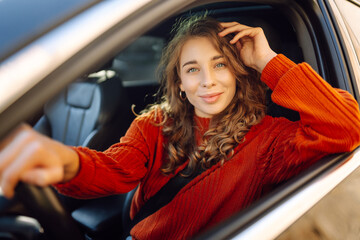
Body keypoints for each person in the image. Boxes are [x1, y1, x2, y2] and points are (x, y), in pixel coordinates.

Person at [1, 15, 360, 239]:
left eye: (220, 65)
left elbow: (347, 126)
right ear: (180, 83)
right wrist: (66, 161)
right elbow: (115, 170)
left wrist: (267, 60)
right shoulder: (155, 123)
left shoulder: (269, 138)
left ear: (237, 72)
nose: (207, 81)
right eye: (192, 69)